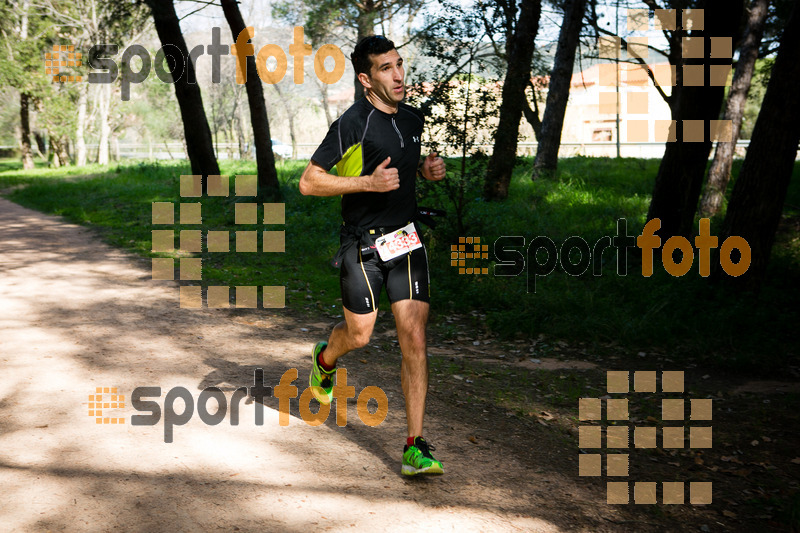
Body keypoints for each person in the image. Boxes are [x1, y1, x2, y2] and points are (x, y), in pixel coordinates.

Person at [298, 35, 447, 476]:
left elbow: (406, 162)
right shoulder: (352, 124)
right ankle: (326, 358)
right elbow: (310, 182)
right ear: (366, 78)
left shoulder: (413, 119)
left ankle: (414, 445)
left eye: (399, 64)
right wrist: (366, 184)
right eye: (386, 68)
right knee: (359, 336)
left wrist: (427, 170)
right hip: (362, 244)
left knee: (415, 338)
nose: (399, 75)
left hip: (406, 241)